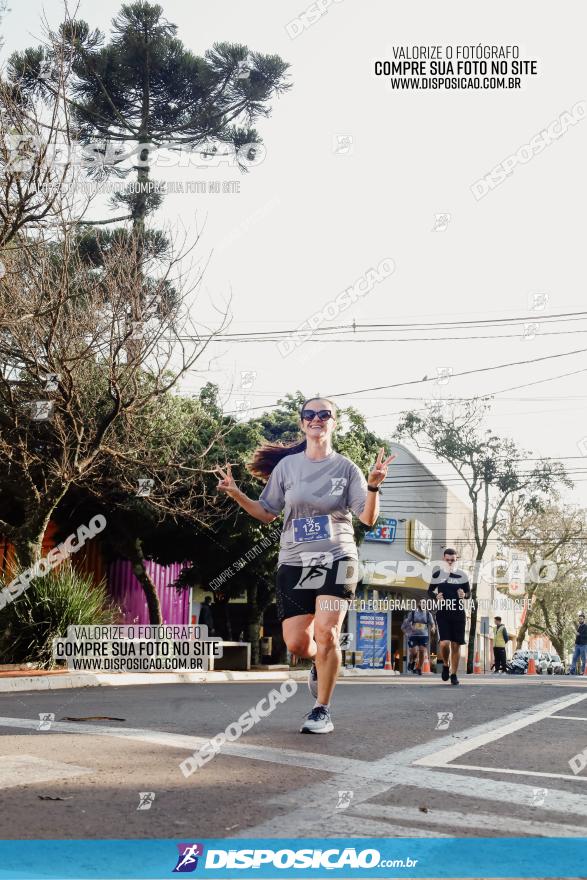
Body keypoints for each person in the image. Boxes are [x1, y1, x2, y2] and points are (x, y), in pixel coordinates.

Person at [215, 396, 395, 733]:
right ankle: (319, 661)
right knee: (297, 643)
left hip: (338, 558)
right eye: (310, 414)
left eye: (324, 414)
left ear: (333, 422)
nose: (317, 419)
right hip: (295, 561)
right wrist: (236, 492)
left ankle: (321, 710)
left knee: (327, 632)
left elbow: (368, 518)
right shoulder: (287, 468)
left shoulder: (347, 469)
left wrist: (373, 486)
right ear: (302, 423)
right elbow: (267, 513)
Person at [428, 548, 470, 686]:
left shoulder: (462, 575)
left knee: (456, 645)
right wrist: (435, 596)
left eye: (453, 560)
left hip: (458, 613)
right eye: (448, 560)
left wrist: (465, 595)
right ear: (443, 559)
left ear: (456, 560)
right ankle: (446, 664)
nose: (450, 562)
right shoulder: (438, 575)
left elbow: (469, 593)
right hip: (443, 613)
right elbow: (429, 590)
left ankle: (454, 674)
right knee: (444, 643)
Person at [402, 598, 436, 675]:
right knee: (413, 651)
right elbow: (407, 622)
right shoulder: (413, 613)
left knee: (421, 651)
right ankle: (411, 662)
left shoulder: (428, 614)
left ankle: (419, 668)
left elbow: (432, 623)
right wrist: (408, 631)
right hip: (414, 635)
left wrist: (433, 628)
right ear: (419, 604)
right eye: (422, 603)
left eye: (425, 603)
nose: (424, 604)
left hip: (424, 635)